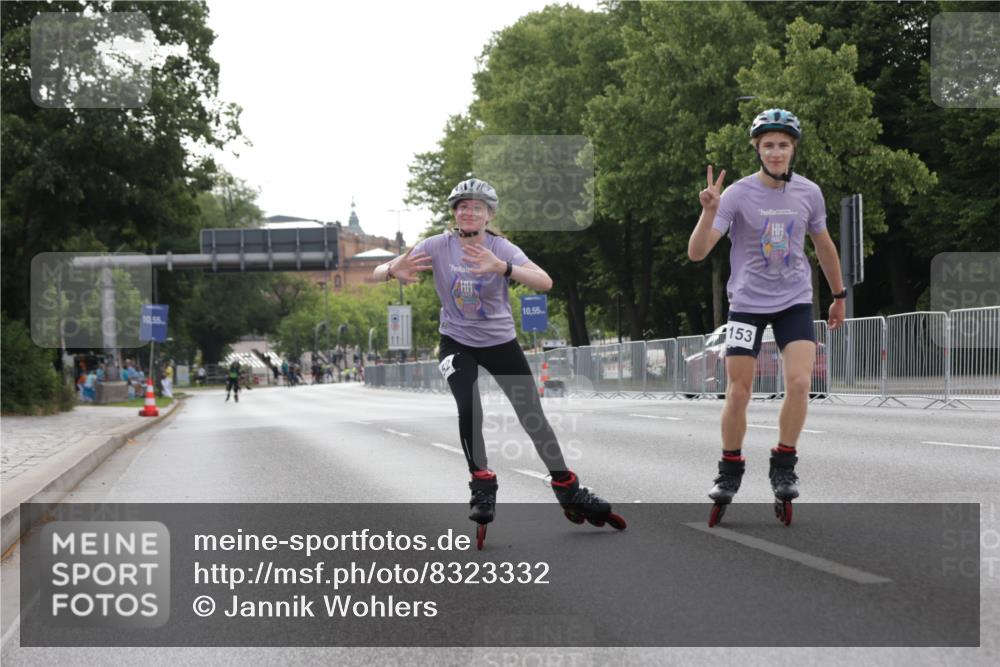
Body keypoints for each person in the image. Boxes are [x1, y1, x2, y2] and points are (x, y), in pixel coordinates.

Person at [373, 178, 625, 547]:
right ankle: (481, 483)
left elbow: (545, 282)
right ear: (455, 213)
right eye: (462, 206)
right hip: (456, 342)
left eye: (477, 207)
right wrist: (394, 270)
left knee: (532, 416)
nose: (468, 212)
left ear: (489, 214)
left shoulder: (501, 247)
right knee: (468, 407)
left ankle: (567, 486)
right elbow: (377, 273)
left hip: (500, 343)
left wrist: (502, 267)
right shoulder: (436, 246)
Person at [687, 108, 846, 526]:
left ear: (793, 149)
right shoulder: (736, 195)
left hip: (794, 300)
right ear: (757, 149)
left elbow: (824, 246)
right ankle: (730, 469)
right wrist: (708, 211)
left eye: (784, 145)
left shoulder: (809, 193)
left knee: (798, 382)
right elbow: (698, 252)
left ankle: (784, 462)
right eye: (768, 145)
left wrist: (838, 295)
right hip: (747, 304)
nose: (776, 152)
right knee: (739, 392)